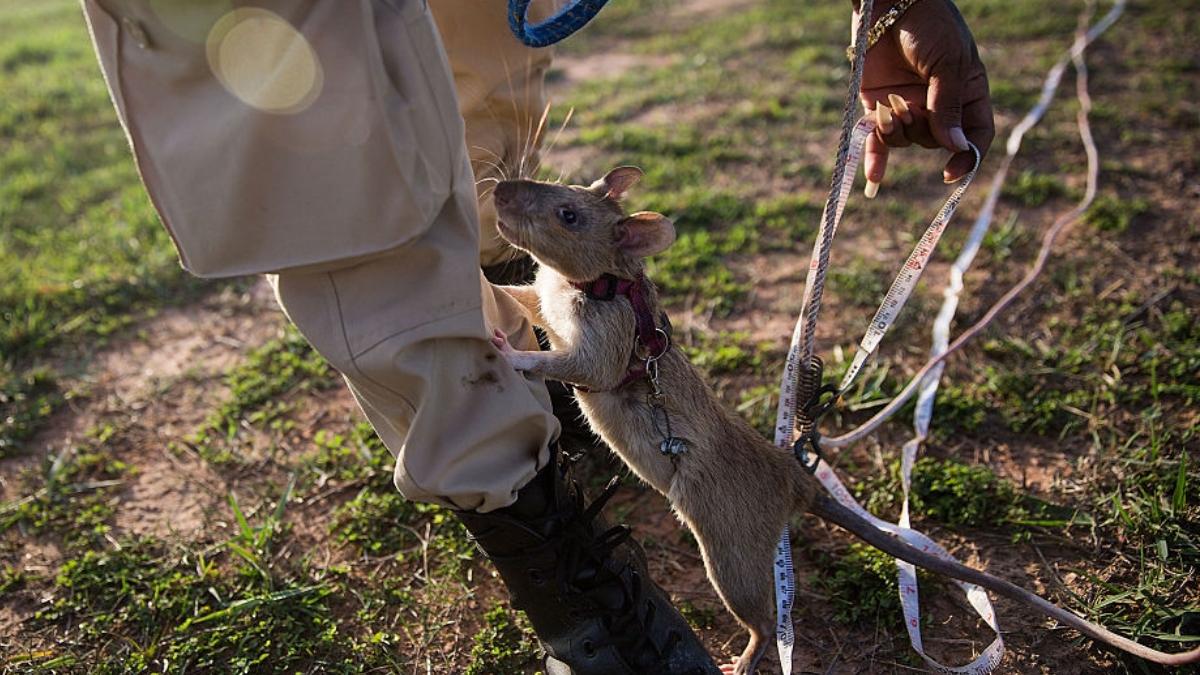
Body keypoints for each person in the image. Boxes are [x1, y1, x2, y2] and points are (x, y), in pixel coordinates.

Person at [79, 0, 992, 672]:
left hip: (668, 428)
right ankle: (535, 527)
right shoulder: (594, 286)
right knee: (339, 147)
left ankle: (521, 389)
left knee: (470, 92)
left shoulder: (611, 287)